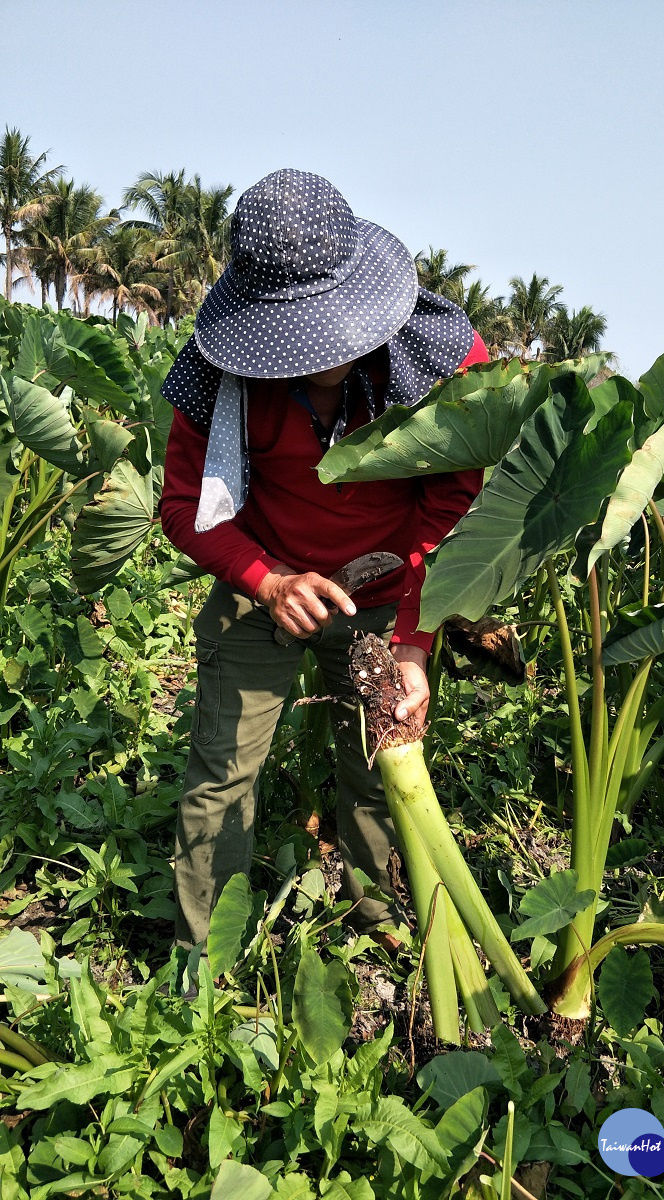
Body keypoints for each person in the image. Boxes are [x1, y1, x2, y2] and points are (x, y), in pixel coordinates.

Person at [158, 169, 488, 951]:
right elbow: (183, 505)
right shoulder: (215, 371)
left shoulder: (444, 356)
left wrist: (413, 638)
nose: (321, 354)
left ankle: (375, 921)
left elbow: (454, 506)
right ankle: (200, 974)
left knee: (377, 766)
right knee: (221, 780)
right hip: (263, 573)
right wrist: (266, 580)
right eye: (294, 335)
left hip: (385, 583)